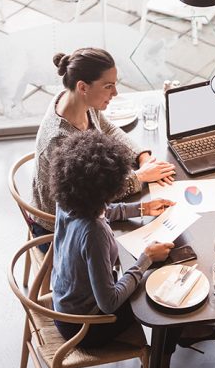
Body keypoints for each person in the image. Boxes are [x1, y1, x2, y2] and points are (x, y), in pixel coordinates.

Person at [49, 129, 194, 368]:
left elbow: (100, 211)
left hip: (64, 301)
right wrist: (145, 260)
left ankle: (184, 336)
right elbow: (109, 302)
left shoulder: (68, 201)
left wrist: (141, 209)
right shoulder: (94, 233)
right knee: (170, 304)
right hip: (87, 326)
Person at [31, 47, 176, 240]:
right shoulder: (60, 139)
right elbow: (89, 197)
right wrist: (139, 177)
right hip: (59, 228)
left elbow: (108, 129)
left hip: (87, 207)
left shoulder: (78, 102)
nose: (115, 92)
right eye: (108, 86)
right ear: (83, 87)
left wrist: (143, 157)